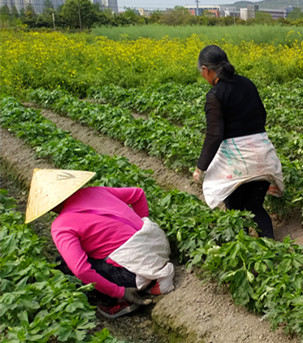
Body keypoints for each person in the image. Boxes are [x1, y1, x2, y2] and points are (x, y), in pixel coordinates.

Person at [25, 169, 175, 319]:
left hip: (133, 274)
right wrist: (141, 234)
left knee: (63, 264)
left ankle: (117, 302)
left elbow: (81, 270)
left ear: (49, 206)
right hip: (159, 246)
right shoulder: (95, 191)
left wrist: (120, 292)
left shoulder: (61, 226)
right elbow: (138, 194)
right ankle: (149, 277)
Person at [192, 44, 285, 239]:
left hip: (237, 164)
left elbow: (214, 135)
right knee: (255, 206)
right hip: (262, 156)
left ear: (205, 70)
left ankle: (242, 247)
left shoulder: (215, 96)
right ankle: (272, 247)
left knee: (235, 211)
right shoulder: (247, 83)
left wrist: (200, 167)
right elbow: (262, 114)